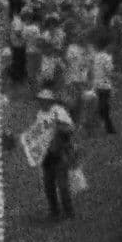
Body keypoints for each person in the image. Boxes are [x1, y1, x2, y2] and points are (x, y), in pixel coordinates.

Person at [34, 89, 76, 220]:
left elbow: (70, 128)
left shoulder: (58, 111)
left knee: (62, 185)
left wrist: (57, 127)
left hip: (59, 152)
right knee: (48, 184)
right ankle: (54, 211)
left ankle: (69, 212)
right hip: (46, 154)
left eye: (44, 100)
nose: (42, 102)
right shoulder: (40, 113)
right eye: (40, 100)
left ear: (50, 101)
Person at [87, 35, 117, 135]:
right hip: (105, 86)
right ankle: (103, 127)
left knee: (102, 107)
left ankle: (108, 128)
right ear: (107, 45)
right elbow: (109, 72)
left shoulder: (95, 56)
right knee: (103, 108)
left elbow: (91, 70)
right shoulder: (107, 57)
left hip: (96, 85)